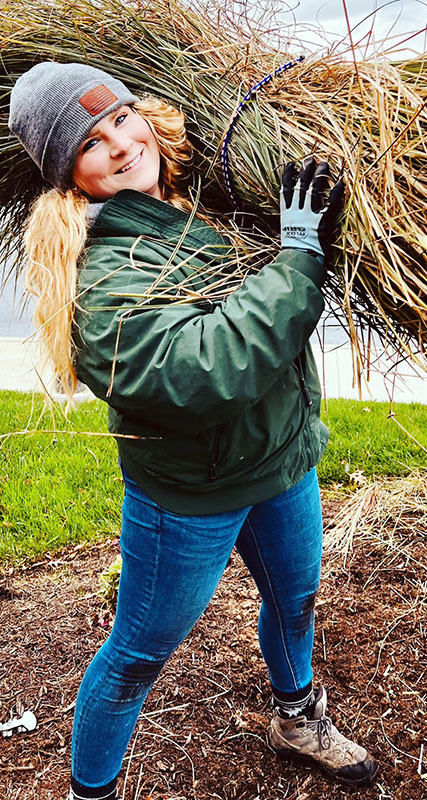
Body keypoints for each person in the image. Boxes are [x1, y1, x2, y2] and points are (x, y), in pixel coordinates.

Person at [9, 61, 377, 799]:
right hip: (190, 496)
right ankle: (92, 792)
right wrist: (299, 259)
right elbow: (203, 369)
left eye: (119, 117)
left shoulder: (204, 195)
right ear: (69, 175)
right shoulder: (104, 274)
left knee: (295, 599)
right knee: (139, 653)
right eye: (89, 142)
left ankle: (297, 719)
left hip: (278, 458)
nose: (118, 143)